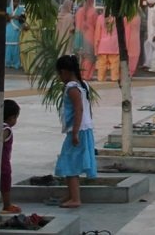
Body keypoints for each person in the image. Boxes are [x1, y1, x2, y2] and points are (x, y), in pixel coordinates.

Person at [54, 55, 96, 205]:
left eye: (59, 73)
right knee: (70, 161)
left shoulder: (72, 88)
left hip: (78, 130)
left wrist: (76, 132)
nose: (59, 77)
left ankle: (75, 199)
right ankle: (70, 194)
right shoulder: (82, 84)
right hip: (84, 128)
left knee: (70, 164)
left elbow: (79, 110)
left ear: (65, 72)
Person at [0, 99, 21, 215]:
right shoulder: (6, 129)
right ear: (12, 117)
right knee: (5, 183)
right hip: (3, 162)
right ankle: (7, 205)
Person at [74, 1, 98, 81]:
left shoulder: (79, 11)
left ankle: (81, 74)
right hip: (90, 36)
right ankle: (87, 75)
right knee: (89, 57)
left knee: (82, 57)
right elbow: (96, 24)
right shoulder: (93, 11)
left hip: (78, 36)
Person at [96, 14, 120, 83]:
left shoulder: (100, 17)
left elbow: (97, 33)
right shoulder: (117, 17)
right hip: (114, 45)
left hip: (102, 45)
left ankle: (101, 78)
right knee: (115, 63)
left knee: (102, 64)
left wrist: (96, 45)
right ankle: (114, 78)